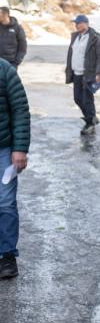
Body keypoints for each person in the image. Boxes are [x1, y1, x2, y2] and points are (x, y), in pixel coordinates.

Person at [0, 57, 30, 279]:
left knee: (5, 203)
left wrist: (19, 148)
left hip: (3, 148)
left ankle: (7, 256)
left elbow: (20, 109)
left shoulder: (4, 69)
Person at [65, 15, 100, 136]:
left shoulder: (95, 38)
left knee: (87, 100)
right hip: (76, 73)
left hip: (88, 74)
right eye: (75, 23)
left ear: (85, 24)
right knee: (77, 98)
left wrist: (99, 72)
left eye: (78, 23)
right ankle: (91, 117)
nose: (76, 25)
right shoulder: (75, 37)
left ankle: (90, 124)